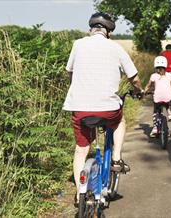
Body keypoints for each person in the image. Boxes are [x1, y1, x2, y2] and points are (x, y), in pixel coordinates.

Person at [63, 12, 144, 202]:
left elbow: (69, 72)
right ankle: (116, 158)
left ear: (91, 29)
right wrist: (139, 91)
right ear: (109, 32)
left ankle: (79, 193)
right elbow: (134, 77)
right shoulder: (115, 47)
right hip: (108, 109)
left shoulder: (78, 44)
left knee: (81, 149)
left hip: (80, 108)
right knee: (119, 121)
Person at [144, 56, 171, 137]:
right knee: (168, 102)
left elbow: (148, 85)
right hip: (168, 96)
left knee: (156, 111)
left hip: (157, 97)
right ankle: (169, 113)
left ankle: (155, 128)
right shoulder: (170, 75)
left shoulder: (153, 76)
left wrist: (145, 91)